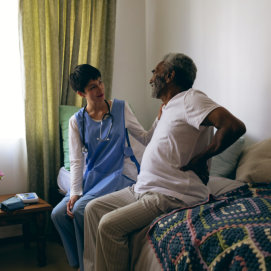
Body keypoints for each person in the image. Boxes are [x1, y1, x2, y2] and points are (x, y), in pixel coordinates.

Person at [83, 53, 246, 271]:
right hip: (143, 187)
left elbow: (233, 126)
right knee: (93, 209)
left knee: (109, 226)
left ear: (170, 75)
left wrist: (202, 158)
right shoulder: (170, 107)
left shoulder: (190, 98)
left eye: (155, 72)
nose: (151, 79)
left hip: (170, 194)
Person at [51, 64, 159, 271]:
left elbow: (145, 138)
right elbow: (76, 161)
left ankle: (88, 266)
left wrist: (159, 118)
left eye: (100, 82)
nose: (100, 88)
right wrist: (74, 193)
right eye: (92, 87)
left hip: (119, 174)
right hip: (93, 176)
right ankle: (77, 262)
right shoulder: (77, 121)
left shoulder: (121, 108)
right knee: (58, 214)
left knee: (82, 209)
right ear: (81, 93)